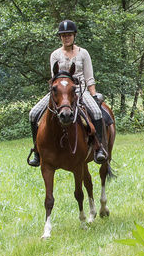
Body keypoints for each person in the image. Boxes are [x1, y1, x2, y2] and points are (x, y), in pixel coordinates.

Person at [26, 20, 112, 167]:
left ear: (74, 36)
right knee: (33, 114)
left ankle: (98, 148)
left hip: (80, 90)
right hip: (60, 92)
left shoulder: (83, 53)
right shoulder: (55, 55)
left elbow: (89, 77)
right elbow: (55, 79)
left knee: (97, 114)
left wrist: (93, 95)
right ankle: (37, 151)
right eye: (63, 35)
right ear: (60, 37)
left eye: (69, 35)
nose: (66, 38)